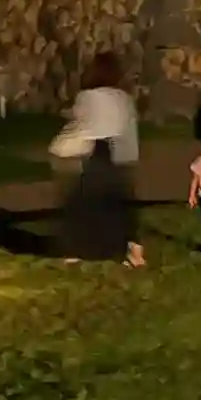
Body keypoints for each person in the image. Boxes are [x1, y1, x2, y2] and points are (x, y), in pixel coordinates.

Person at [49, 52, 146, 268]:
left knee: (78, 202)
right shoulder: (125, 98)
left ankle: (74, 249)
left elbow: (82, 121)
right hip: (119, 156)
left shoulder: (87, 96)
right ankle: (134, 251)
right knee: (123, 204)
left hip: (87, 153)